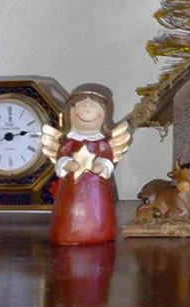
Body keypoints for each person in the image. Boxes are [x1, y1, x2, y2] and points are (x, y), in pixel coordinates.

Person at [44, 84, 130, 245]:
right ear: (70, 113)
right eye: (82, 105)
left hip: (96, 189)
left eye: (93, 106)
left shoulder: (102, 144)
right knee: (69, 211)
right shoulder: (69, 143)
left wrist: (102, 166)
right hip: (72, 189)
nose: (88, 109)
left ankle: (99, 232)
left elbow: (107, 158)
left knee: (97, 210)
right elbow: (61, 157)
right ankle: (68, 232)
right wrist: (67, 164)